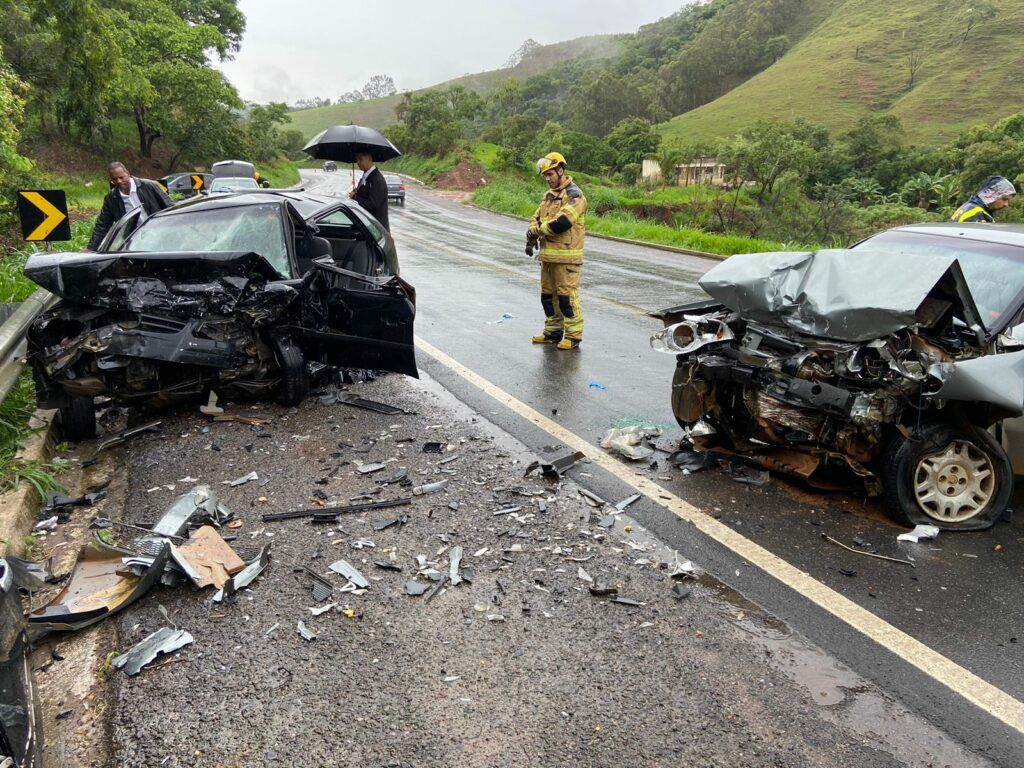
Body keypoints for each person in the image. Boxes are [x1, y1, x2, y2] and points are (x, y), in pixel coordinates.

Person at [526, 152, 587, 350]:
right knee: (548, 297)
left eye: (550, 174)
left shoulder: (574, 196)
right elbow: (535, 218)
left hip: (567, 261)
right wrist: (532, 232)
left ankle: (573, 336)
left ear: (561, 171)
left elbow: (562, 223)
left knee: (566, 299)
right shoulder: (548, 197)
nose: (548, 179)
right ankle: (552, 332)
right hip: (548, 258)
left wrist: (538, 229)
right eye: (545, 175)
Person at [87, 162, 173, 250]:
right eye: (114, 179)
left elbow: (170, 208)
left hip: (160, 234)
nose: (119, 181)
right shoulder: (111, 199)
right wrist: (90, 248)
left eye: (121, 177)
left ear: (127, 173)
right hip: (135, 241)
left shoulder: (149, 186)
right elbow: (102, 225)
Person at [348, 151, 389, 230]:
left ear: (369, 159)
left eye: (360, 159)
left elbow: (372, 204)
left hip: (377, 230)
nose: (358, 162)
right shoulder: (366, 176)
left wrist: (355, 197)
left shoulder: (376, 179)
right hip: (368, 226)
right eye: (357, 160)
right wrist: (356, 192)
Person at [951, 176, 1017, 223]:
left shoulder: (969, 206)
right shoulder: (975, 213)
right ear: (991, 194)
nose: (1006, 204)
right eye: (1004, 199)